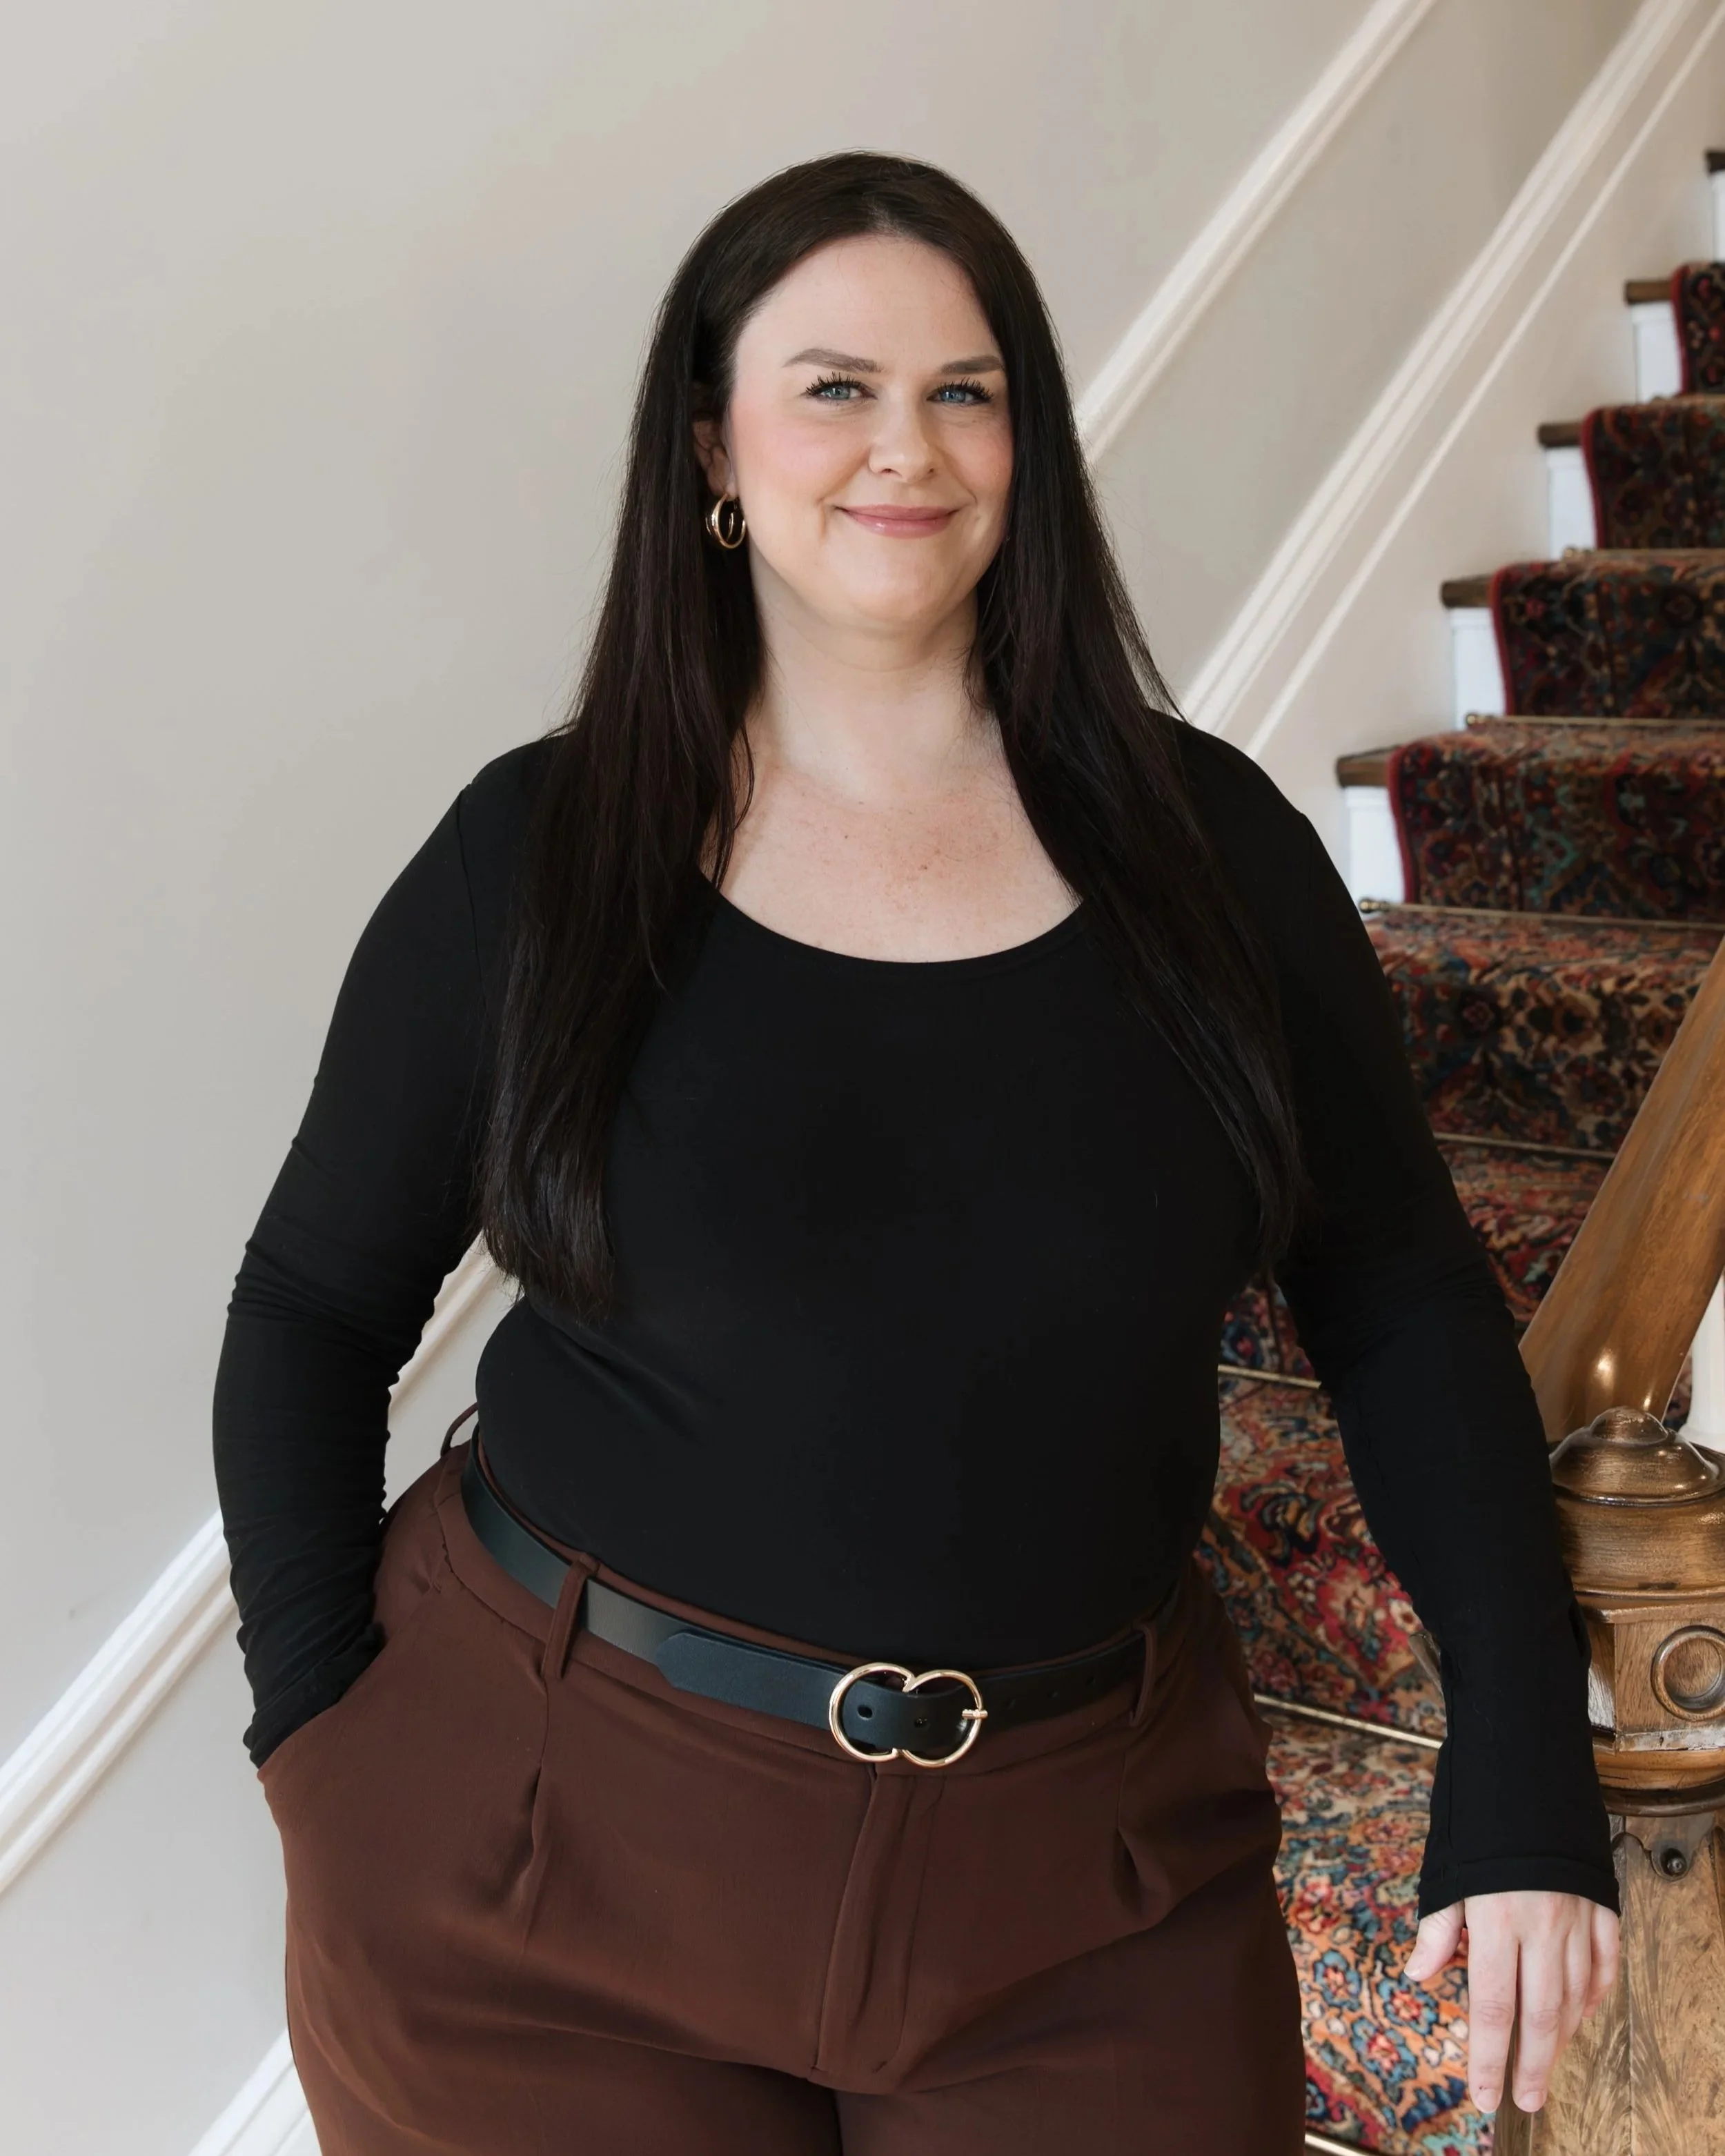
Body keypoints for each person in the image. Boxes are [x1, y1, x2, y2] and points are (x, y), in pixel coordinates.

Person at [213, 150, 1619, 2155]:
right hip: (540, 1853)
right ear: (712, 444)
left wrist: (1518, 1744)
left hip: (1087, 1880)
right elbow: (313, 1304)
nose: (908, 447)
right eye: (834, 386)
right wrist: (316, 1736)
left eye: (967, 389)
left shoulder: (1210, 857)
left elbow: (1392, 1295)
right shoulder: (538, 860)